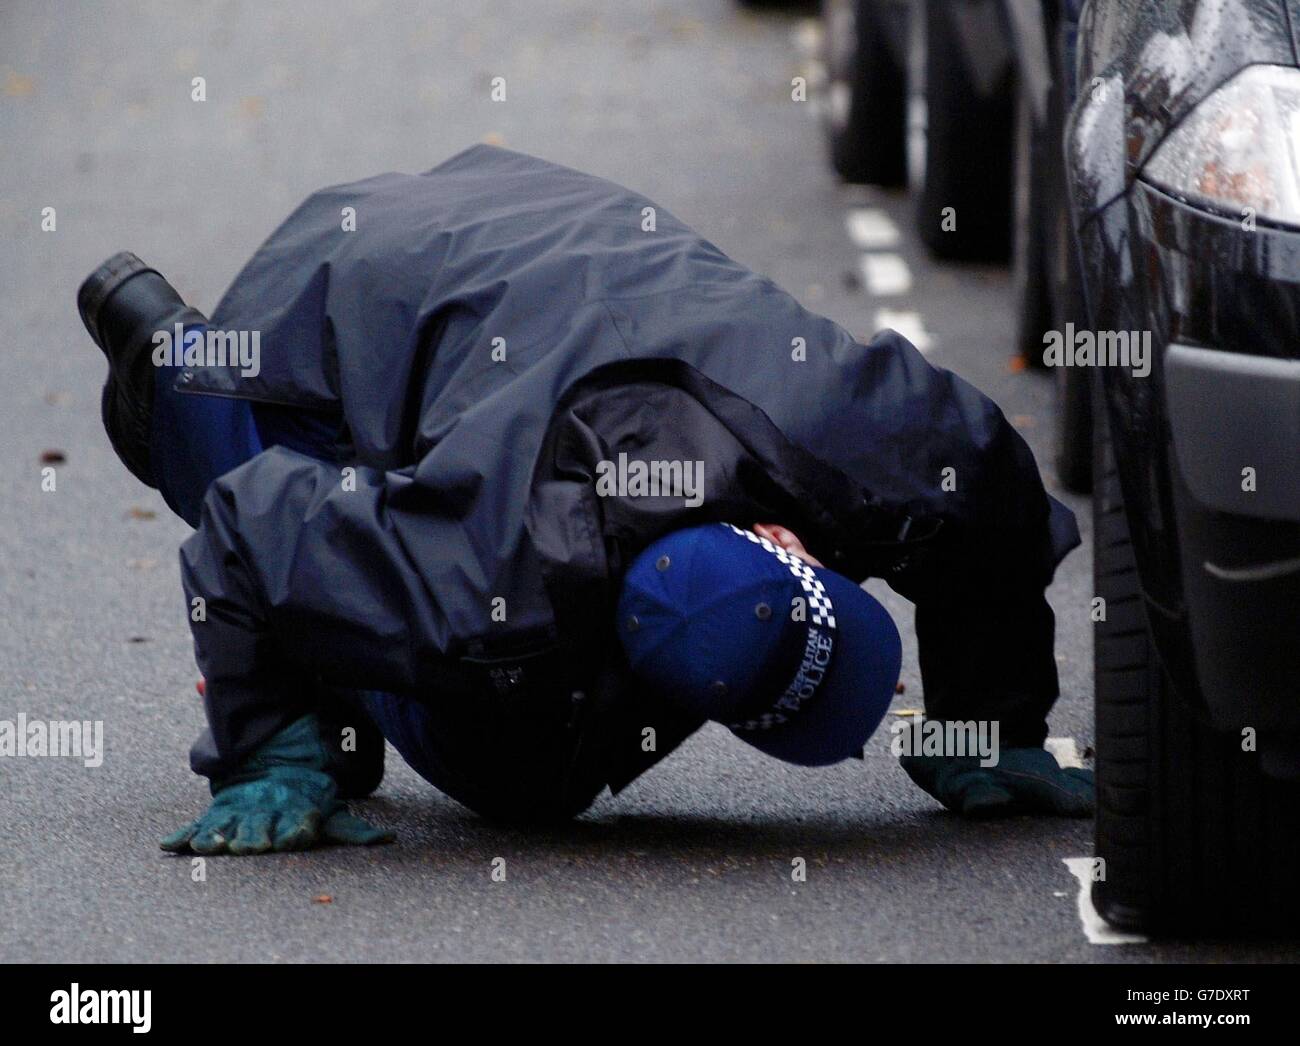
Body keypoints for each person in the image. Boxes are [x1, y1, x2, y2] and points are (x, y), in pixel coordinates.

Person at [78, 145, 1092, 855]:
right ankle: (173, 363)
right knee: (514, 773)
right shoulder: (494, 573)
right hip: (370, 274)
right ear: (779, 538)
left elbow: (988, 492)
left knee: (530, 746)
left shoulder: (863, 439)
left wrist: (989, 723)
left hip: (555, 247)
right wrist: (271, 752)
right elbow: (249, 525)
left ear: (793, 542)